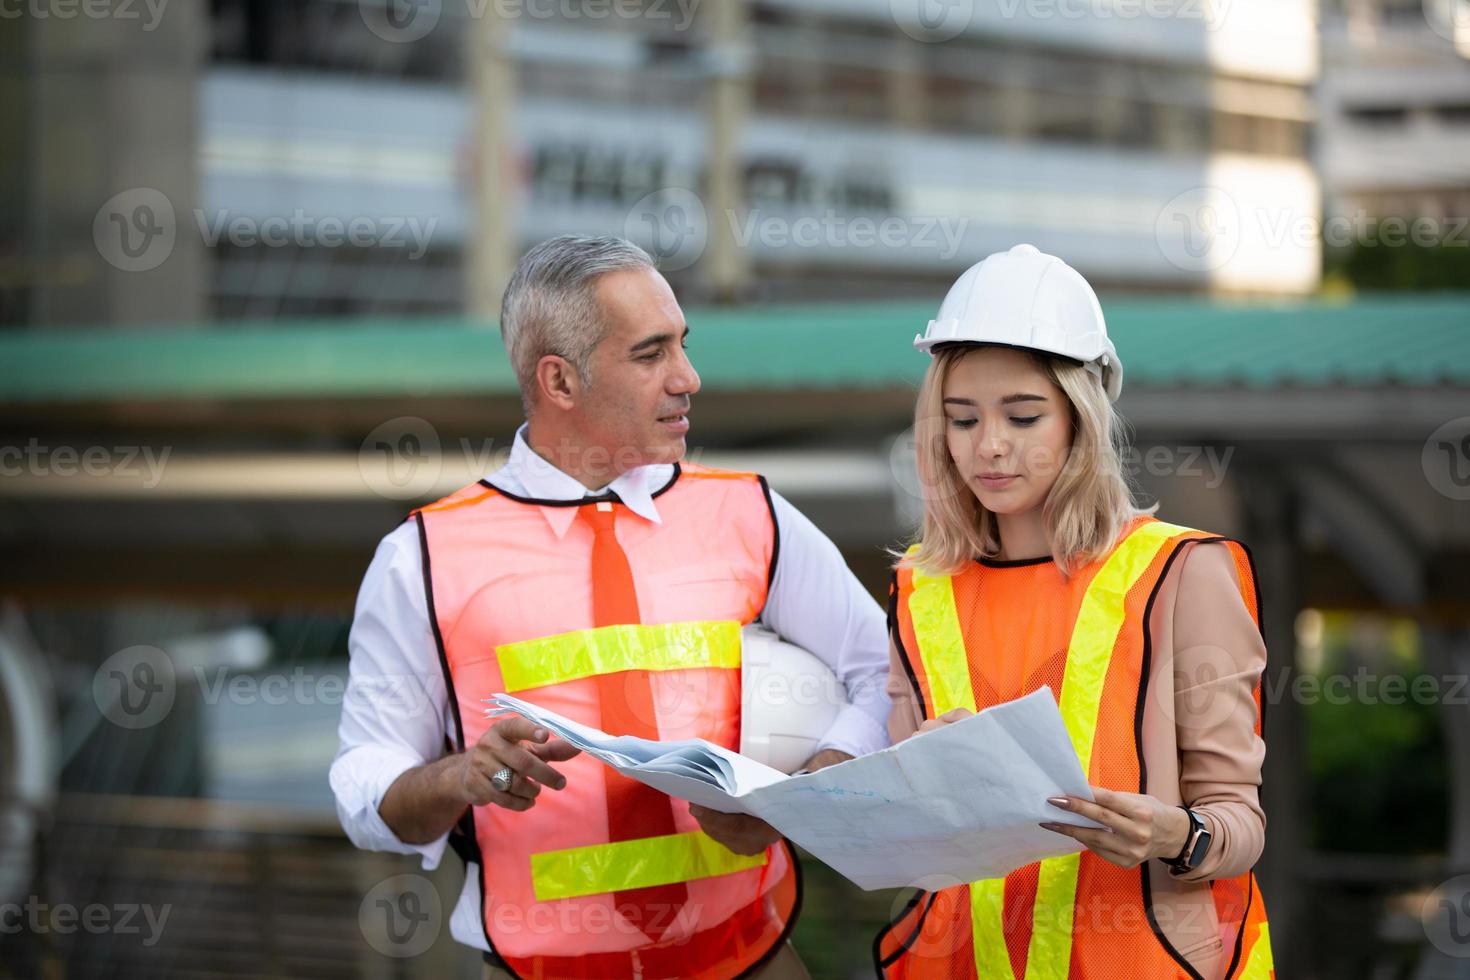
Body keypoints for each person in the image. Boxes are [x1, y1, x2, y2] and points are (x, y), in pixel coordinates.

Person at [330, 236, 890, 979]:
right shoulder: (422, 557)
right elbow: (364, 781)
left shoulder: (753, 511)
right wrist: (460, 777)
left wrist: (801, 794)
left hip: (754, 959)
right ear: (560, 381)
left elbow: (886, 669)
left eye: (683, 345)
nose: (688, 377)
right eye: (651, 353)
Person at [874, 245, 1274, 979]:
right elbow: (909, 843)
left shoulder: (1182, 572)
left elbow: (1240, 825)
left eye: (1023, 417)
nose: (989, 446)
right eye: (962, 420)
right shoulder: (919, 587)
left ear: (1080, 421)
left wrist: (1172, 834)